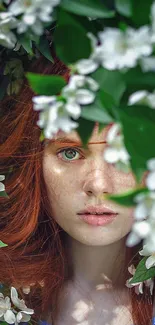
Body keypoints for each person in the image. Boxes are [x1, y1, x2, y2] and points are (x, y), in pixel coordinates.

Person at [0, 50, 154, 325]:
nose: (97, 184)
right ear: (34, 163)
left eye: (124, 155)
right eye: (70, 153)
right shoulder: (9, 301)